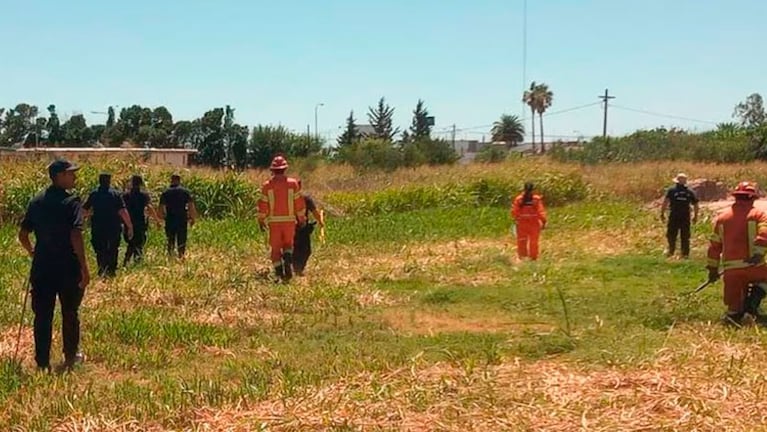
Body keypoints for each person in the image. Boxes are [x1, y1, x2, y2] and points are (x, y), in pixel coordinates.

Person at [17, 159, 91, 372]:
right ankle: (70, 356)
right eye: (70, 174)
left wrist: (33, 252)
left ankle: (42, 362)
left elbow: (23, 234)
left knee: (42, 315)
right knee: (70, 312)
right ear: (59, 176)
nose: (74, 177)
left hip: (42, 268)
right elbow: (76, 234)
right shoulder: (72, 202)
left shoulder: (37, 201)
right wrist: (84, 268)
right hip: (67, 267)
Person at [706, 181, 767, 326]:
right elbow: (764, 234)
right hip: (755, 266)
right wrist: (758, 253)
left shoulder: (722, 218)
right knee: (764, 282)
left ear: (735, 198)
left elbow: (714, 247)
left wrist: (713, 269)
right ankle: (751, 305)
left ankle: (737, 314)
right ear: (752, 198)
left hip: (731, 271)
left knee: (733, 310)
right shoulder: (758, 214)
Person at [257, 155, 306, 282]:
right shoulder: (293, 184)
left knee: (275, 249)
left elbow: (263, 205)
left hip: (274, 223)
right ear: (285, 169)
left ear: (272, 170)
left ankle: (279, 274)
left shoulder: (267, 186)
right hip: (290, 222)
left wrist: (261, 220)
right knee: (288, 244)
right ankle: (288, 256)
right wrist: (301, 219)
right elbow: (299, 204)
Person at [83, 173, 133, 278]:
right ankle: (111, 271)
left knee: (100, 249)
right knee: (113, 248)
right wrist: (129, 226)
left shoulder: (94, 194)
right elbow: (122, 211)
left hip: (98, 226)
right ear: (109, 181)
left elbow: (83, 210)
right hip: (113, 227)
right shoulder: (116, 194)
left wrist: (82, 221)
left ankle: (102, 269)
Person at [122, 175, 160, 266]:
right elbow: (149, 208)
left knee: (131, 243)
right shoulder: (144, 196)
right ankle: (137, 262)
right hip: (140, 222)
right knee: (139, 244)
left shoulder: (126, 195)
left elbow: (121, 209)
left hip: (128, 222)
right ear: (141, 183)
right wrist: (157, 220)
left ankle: (126, 261)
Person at [661, 173, 699, 259]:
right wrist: (695, 216)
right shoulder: (690, 191)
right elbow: (696, 205)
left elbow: (665, 202)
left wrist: (662, 213)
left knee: (671, 234)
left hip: (674, 215)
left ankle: (671, 251)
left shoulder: (671, 190)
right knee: (685, 235)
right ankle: (685, 254)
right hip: (685, 216)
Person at [159, 174, 197, 259]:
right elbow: (191, 205)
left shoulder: (166, 192)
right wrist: (193, 218)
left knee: (170, 238)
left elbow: (161, 207)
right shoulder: (185, 192)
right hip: (182, 218)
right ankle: (181, 255)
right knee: (182, 238)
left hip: (170, 218)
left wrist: (160, 219)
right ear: (179, 181)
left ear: (171, 180)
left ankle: (170, 256)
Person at [292, 179, 325, 276]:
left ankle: (294, 268)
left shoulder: (286, 199)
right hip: (302, 228)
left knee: (293, 249)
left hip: (289, 227)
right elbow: (315, 212)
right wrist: (320, 221)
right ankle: (298, 269)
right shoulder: (306, 198)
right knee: (306, 250)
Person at [510, 182, 547, 261]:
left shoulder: (519, 199)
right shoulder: (536, 199)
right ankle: (533, 258)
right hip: (534, 223)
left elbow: (514, 212)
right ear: (533, 189)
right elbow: (541, 211)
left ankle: (523, 257)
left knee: (522, 240)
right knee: (533, 241)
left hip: (522, 223)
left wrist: (517, 219)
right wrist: (544, 221)